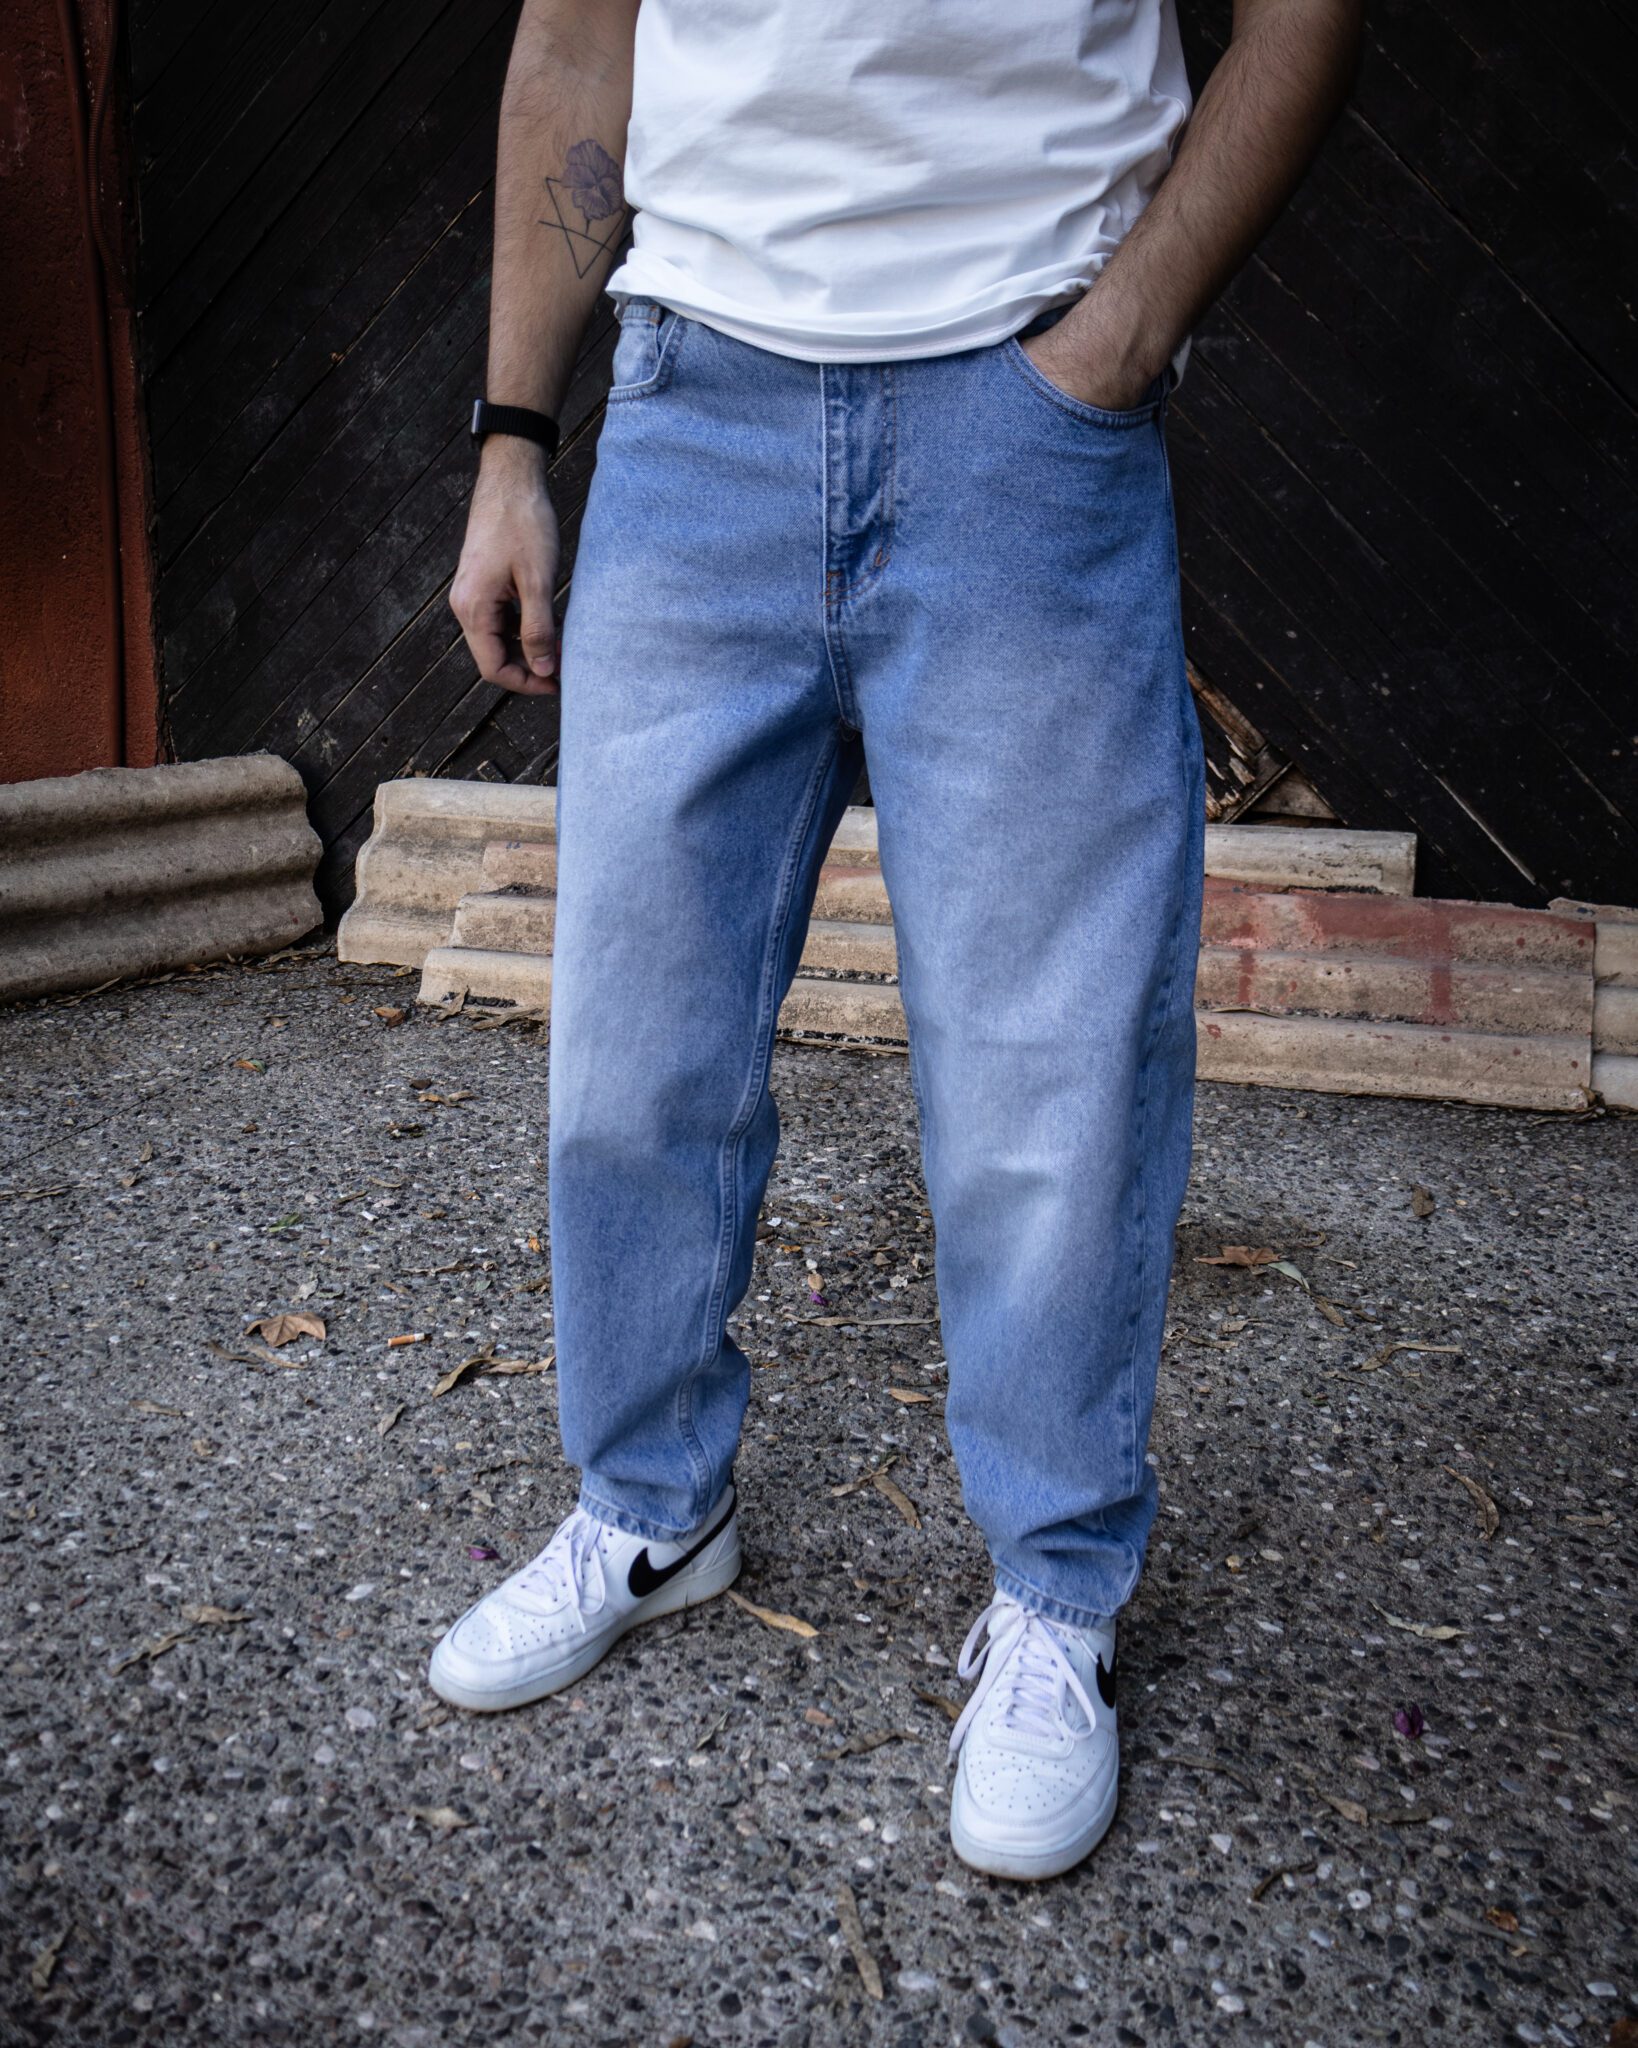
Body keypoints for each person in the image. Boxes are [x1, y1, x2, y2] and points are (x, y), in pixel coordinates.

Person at [432, 0, 1362, 1881]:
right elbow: (573, 45)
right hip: (693, 412)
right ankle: (650, 1508)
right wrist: (513, 440)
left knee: (1049, 1079)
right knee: (630, 1050)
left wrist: (1115, 342)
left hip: (1023, 413)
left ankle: (1056, 1595)